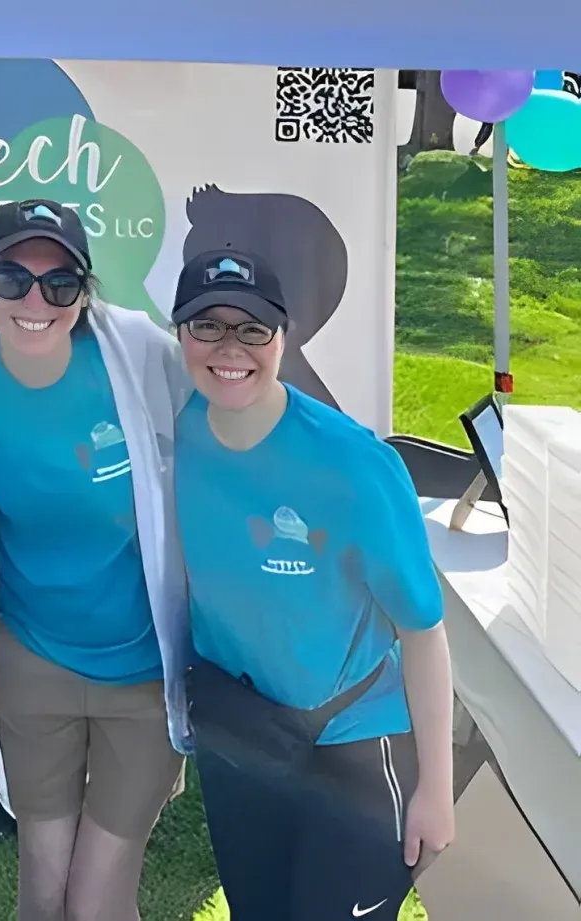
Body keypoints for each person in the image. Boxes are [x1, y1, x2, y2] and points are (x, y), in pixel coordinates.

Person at [171, 248, 456, 921]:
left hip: (352, 746)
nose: (229, 347)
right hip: (242, 736)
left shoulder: (354, 466)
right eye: (206, 326)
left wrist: (436, 790)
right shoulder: (176, 434)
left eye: (252, 328)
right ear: (180, 334)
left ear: (283, 335)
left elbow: (424, 632)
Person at [0, 199, 193, 921]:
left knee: (99, 900)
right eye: (11, 278)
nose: (34, 301)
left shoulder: (137, 353)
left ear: (85, 289)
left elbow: (229, 430)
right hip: (31, 661)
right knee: (42, 893)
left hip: (142, 673)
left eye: (59, 282)